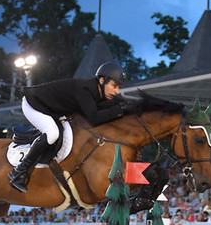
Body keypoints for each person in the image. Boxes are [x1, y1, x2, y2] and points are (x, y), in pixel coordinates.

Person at [8, 61, 136, 193]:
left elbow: (114, 103)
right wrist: (120, 110)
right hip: (34, 105)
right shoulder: (84, 90)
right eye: (114, 86)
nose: (116, 91)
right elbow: (95, 118)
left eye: (118, 87)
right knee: (53, 134)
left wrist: (131, 105)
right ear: (102, 80)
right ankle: (19, 172)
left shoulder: (99, 91)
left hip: (52, 110)